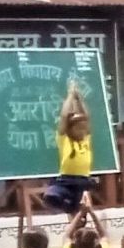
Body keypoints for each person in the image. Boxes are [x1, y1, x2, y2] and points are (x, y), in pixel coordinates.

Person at [42, 79, 95, 215]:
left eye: (84, 129)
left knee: (79, 209)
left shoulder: (85, 140)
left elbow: (87, 117)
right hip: (66, 180)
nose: (83, 131)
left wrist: (79, 98)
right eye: (79, 128)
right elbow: (64, 116)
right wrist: (71, 95)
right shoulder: (65, 139)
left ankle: (76, 219)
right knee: (52, 196)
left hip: (82, 181)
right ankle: (63, 205)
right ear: (71, 129)